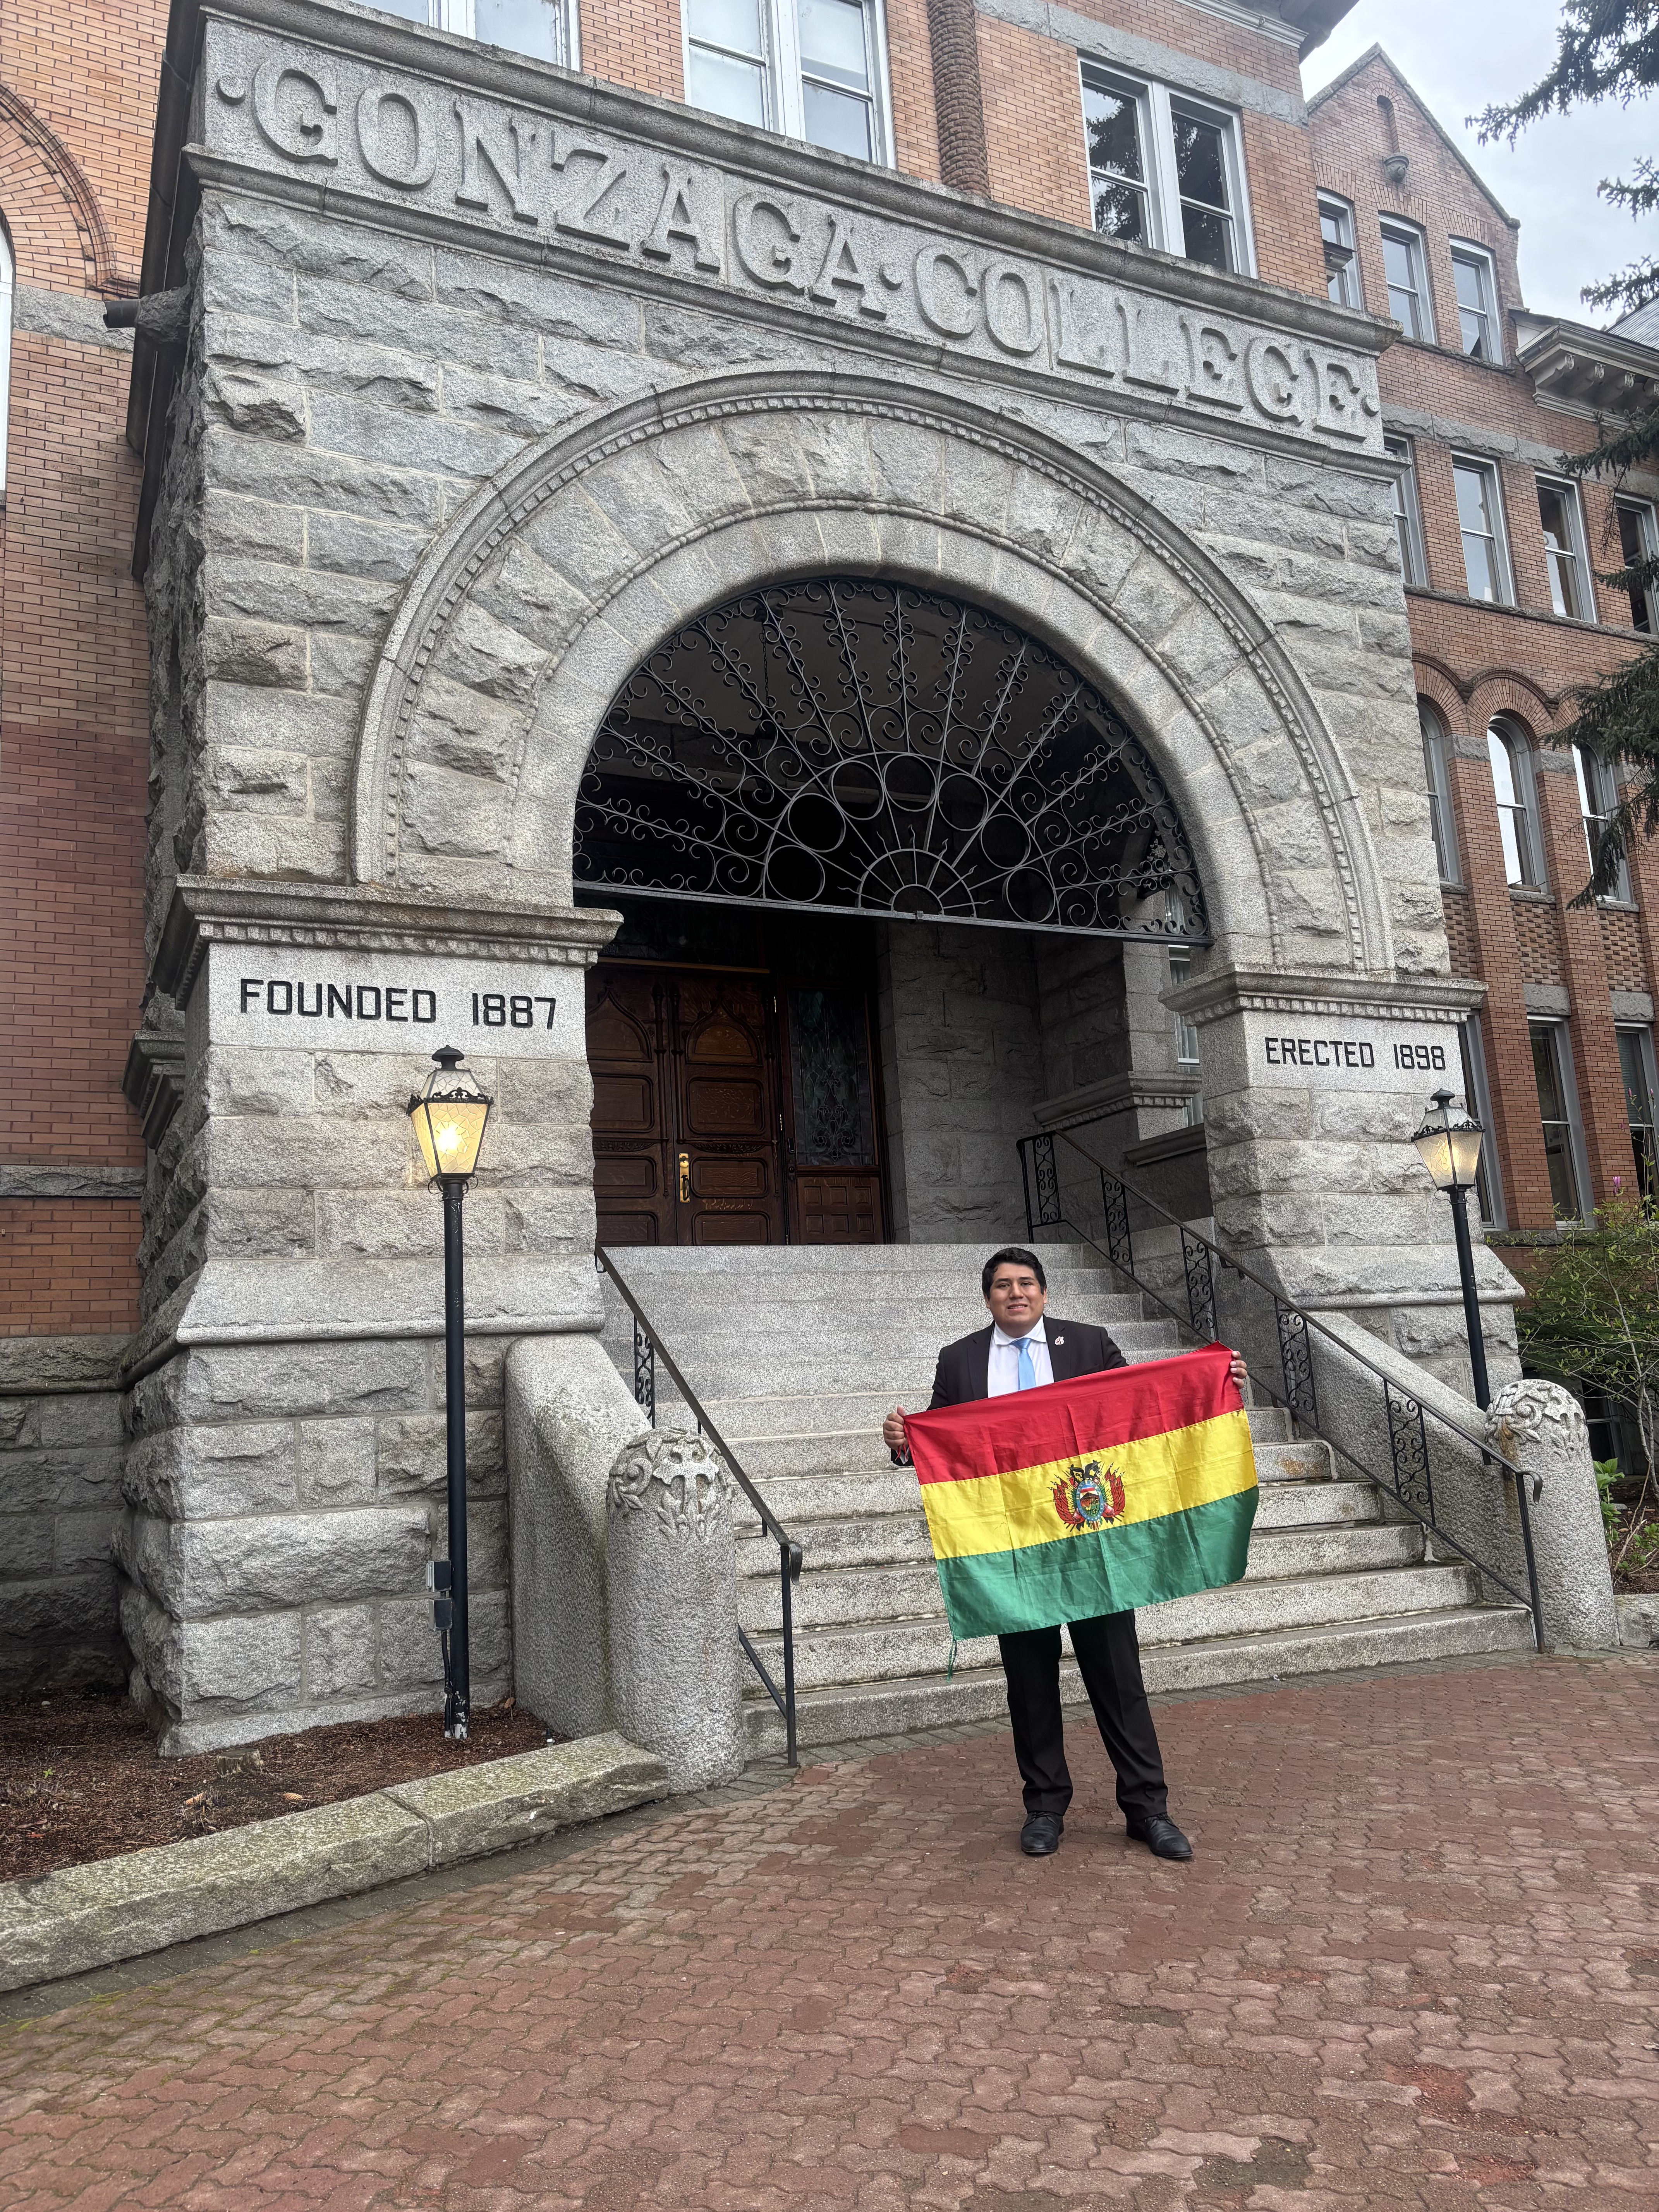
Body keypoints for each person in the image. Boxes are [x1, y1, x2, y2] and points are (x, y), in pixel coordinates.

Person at [883, 1246, 1247, 1863]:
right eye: (1002, 1286)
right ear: (989, 1298)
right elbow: (942, 1449)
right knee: (1029, 1685)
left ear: (1045, 1294)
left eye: (1026, 1283)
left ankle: (1147, 1810)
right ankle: (1045, 1807)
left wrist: (1214, 1383)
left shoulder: (1088, 1344)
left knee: (1119, 1680)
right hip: (1012, 1553)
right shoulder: (960, 1360)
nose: (1015, 1293)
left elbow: (1144, 1415)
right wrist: (902, 1443)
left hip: (1094, 1543)